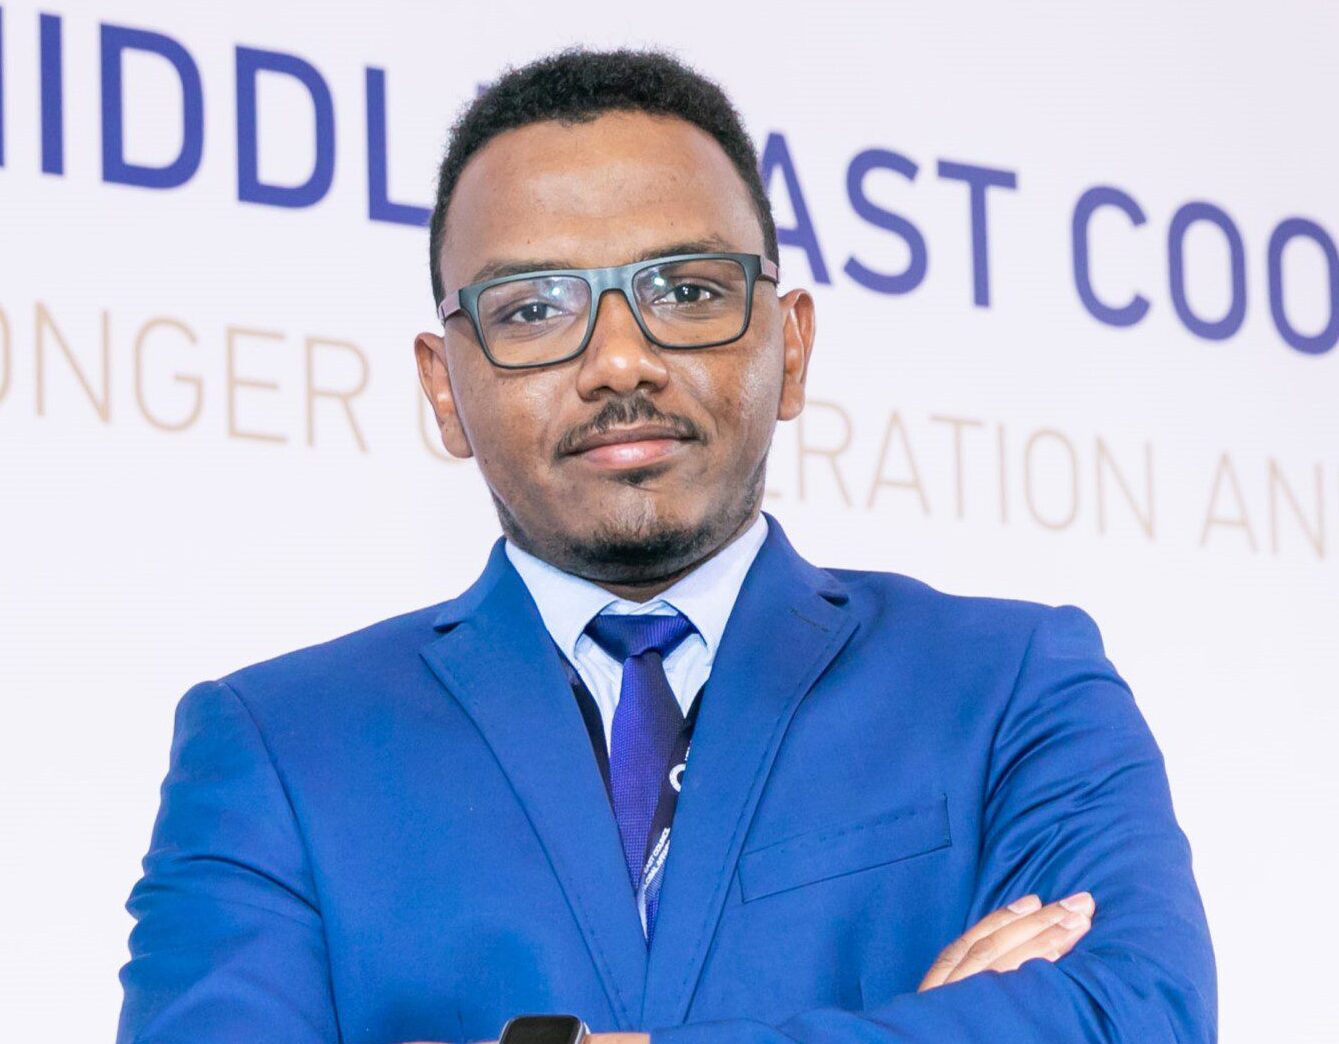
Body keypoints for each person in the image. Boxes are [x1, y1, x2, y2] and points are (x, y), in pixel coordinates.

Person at [116, 47, 1215, 1044]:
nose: (619, 363)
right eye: (534, 308)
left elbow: (1133, 1016)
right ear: (443, 389)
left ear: (790, 348)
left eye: (686, 291)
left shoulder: (1009, 685)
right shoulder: (276, 747)